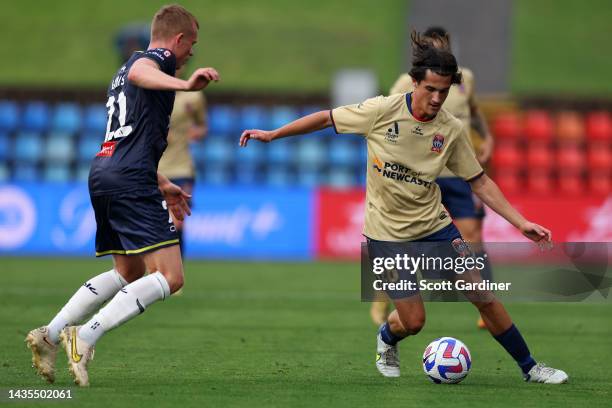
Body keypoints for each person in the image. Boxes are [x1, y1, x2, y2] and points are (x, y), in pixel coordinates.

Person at [239, 31, 567, 384]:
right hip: (386, 235)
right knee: (413, 322)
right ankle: (387, 338)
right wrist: (273, 134)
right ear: (414, 82)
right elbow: (325, 118)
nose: (438, 98)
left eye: (445, 91)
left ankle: (530, 367)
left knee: (482, 294)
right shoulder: (382, 110)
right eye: (431, 89)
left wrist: (521, 222)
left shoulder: (451, 129)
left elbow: (479, 181)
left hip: (436, 227)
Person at [25, 4, 219, 387]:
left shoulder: (123, 71)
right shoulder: (153, 61)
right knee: (170, 277)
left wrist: (163, 183)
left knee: (128, 272)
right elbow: (142, 71)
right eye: (191, 44)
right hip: (129, 179)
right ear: (177, 39)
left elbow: (129, 133)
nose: (192, 52)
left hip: (107, 171)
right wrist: (186, 85)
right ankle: (84, 335)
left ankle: (50, 334)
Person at [370, 26, 495, 329]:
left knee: (473, 236)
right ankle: (382, 298)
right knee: (406, 243)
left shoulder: (464, 79)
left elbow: (475, 111)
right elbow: (391, 121)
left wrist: (486, 136)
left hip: (455, 172)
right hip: (420, 173)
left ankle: (484, 304)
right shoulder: (405, 82)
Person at [158, 65, 208, 256]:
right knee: (155, 225)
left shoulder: (193, 97)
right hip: (155, 169)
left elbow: (203, 126)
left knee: (177, 222)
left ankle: (175, 281)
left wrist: (195, 133)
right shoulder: (154, 94)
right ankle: (157, 275)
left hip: (181, 168)